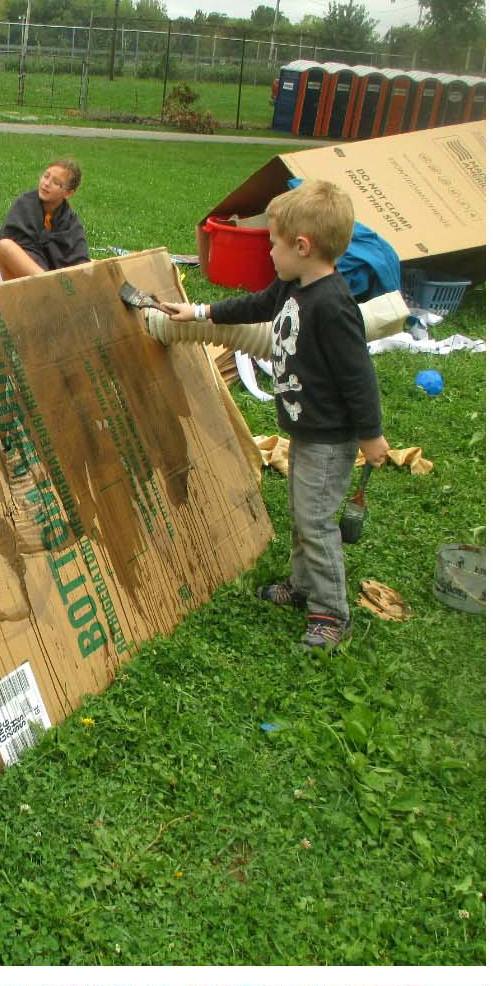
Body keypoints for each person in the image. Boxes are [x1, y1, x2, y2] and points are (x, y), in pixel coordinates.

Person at [160, 180, 389, 652]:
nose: (269, 254)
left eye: (273, 245)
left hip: (330, 438)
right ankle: (303, 586)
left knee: (316, 520)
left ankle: (331, 612)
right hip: (306, 431)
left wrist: (372, 436)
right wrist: (198, 310)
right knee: (304, 512)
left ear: (302, 247)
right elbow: (255, 306)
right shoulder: (293, 284)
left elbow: (358, 377)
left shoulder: (333, 305)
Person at [0, 159, 88, 281]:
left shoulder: (71, 222)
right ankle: (48, 283)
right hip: (13, 275)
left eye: (56, 182)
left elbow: (81, 261)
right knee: (5, 246)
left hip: (53, 279)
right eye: (45, 176)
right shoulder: (25, 204)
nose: (46, 183)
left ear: (68, 193)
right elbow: (16, 245)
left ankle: (50, 285)